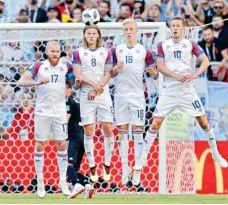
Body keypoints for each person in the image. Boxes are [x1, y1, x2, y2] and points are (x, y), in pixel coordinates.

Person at [139, 17, 228, 170]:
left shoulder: (191, 44)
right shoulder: (163, 45)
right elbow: (160, 66)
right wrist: (175, 75)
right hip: (169, 90)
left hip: (187, 91)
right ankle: (143, 158)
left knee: (203, 122)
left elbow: (205, 61)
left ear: (183, 29)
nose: (175, 28)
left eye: (178, 26)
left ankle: (215, 153)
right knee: (155, 123)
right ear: (169, 29)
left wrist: (195, 74)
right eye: (172, 26)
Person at [17, 41, 73, 198]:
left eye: (57, 51)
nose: (55, 53)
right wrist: (37, 82)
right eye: (52, 51)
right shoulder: (38, 66)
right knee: (40, 145)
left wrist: (73, 85)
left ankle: (63, 181)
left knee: (61, 144)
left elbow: (74, 80)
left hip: (60, 112)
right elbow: (21, 81)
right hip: (42, 112)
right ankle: (40, 182)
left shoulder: (66, 66)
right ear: (47, 52)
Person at [110, 19, 158, 188]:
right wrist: (114, 69)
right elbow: (109, 73)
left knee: (138, 130)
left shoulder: (144, 51)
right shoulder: (116, 50)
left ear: (136, 31)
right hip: (120, 96)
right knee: (122, 132)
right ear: (123, 31)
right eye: (126, 29)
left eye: (131, 29)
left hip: (138, 96)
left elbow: (154, 73)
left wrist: (153, 72)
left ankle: (137, 170)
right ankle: (124, 169)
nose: (128, 32)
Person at [72, 25, 115, 184]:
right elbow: (78, 74)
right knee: (89, 129)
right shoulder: (78, 52)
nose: (91, 35)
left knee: (108, 128)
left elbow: (108, 73)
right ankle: (92, 165)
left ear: (98, 35)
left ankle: (107, 163)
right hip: (86, 94)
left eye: (93, 33)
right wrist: (93, 86)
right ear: (84, 35)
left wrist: (97, 89)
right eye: (88, 33)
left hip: (102, 93)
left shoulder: (106, 52)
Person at [65, 81, 94, 199]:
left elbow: (65, 120)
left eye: (63, 89)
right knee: (73, 169)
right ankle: (87, 185)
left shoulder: (69, 103)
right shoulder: (76, 102)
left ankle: (77, 185)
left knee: (67, 166)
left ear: (69, 90)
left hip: (75, 138)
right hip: (81, 138)